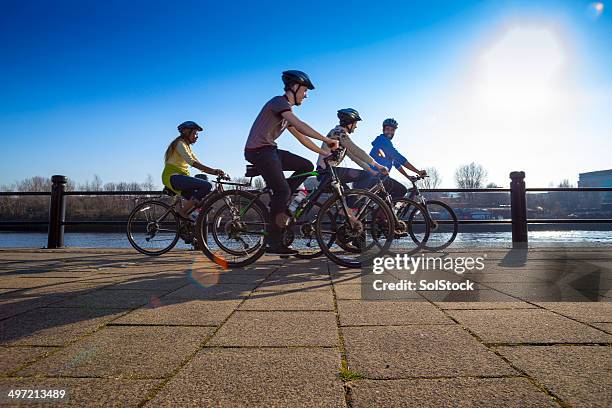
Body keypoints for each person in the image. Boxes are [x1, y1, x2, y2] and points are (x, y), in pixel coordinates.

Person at [244, 70, 339, 255]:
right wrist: (327, 141)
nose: (306, 95)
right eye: (305, 90)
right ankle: (273, 242)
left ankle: (280, 196)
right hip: (258, 151)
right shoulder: (279, 103)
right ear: (294, 87)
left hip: (270, 150)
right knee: (282, 191)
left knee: (305, 166)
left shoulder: (285, 113)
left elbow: (302, 137)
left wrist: (322, 152)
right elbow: (301, 124)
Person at [162, 121, 226, 219]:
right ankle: (182, 212)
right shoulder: (180, 144)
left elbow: (197, 162)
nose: (197, 136)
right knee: (207, 185)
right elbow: (192, 162)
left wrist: (214, 171)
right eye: (195, 133)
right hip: (173, 177)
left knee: (199, 203)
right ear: (187, 133)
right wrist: (213, 171)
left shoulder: (187, 147)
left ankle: (187, 227)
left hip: (179, 178)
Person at [316, 108, 388, 190]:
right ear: (349, 123)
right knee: (364, 178)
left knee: (348, 196)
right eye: (355, 123)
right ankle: (359, 196)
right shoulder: (338, 133)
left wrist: (371, 171)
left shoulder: (340, 135)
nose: (356, 126)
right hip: (326, 172)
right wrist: (377, 165)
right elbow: (356, 150)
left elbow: (355, 157)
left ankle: (355, 197)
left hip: (328, 172)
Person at [368, 118, 427, 198]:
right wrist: (418, 171)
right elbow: (399, 158)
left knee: (387, 200)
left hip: (380, 178)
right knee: (401, 190)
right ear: (383, 130)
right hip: (375, 177)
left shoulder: (385, 143)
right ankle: (384, 211)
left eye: (392, 130)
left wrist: (408, 177)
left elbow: (397, 164)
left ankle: (382, 210)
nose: (390, 132)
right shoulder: (382, 141)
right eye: (387, 129)